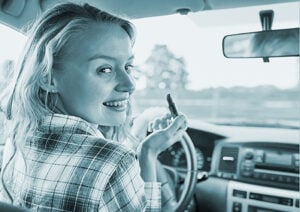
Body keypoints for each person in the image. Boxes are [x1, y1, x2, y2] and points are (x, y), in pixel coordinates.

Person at [0, 3, 187, 211]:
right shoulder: (115, 161)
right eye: (105, 69)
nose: (130, 84)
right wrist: (148, 154)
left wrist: (146, 149)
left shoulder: (17, 141)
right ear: (48, 78)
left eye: (128, 67)